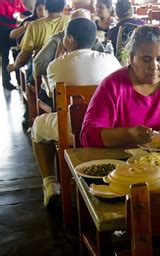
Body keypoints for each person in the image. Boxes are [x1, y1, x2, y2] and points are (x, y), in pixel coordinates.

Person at [30, 17, 121, 207]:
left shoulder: (56, 65)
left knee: (38, 126)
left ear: (69, 39)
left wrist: (58, 59)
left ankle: (51, 185)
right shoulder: (111, 60)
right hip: (109, 129)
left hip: (73, 130)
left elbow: (51, 96)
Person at [81, 26, 160, 148]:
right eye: (146, 59)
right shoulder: (112, 86)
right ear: (132, 59)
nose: (154, 66)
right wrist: (129, 133)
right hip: (126, 162)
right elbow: (88, 135)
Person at [7, 0, 69, 75]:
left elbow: (24, 56)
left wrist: (13, 66)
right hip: (66, 68)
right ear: (63, 7)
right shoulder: (70, 21)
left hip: (43, 71)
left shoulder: (34, 25)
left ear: (46, 7)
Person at [0, 0, 32, 90]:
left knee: (17, 53)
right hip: (2, 31)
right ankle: (6, 82)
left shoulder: (17, 1)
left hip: (14, 31)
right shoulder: (2, 2)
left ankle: (20, 80)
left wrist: (33, 15)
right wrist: (16, 20)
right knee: (5, 56)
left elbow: (24, 11)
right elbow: (1, 17)